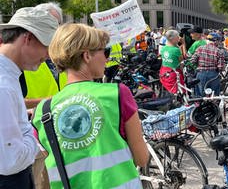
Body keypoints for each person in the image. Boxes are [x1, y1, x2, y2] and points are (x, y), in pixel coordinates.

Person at [32, 23, 148, 188]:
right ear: (87, 56)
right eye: (104, 51)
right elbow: (141, 158)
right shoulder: (116, 94)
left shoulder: (42, 111)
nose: (107, 58)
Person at [0, 7, 58, 189]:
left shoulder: (9, 75)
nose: (48, 55)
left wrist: (23, 117)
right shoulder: (5, 84)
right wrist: (33, 139)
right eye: (47, 46)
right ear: (28, 38)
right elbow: (12, 158)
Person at [159, 29, 184, 94]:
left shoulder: (163, 48)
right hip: (174, 74)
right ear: (172, 38)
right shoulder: (176, 50)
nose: (179, 38)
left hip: (164, 73)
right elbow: (181, 63)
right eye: (177, 37)